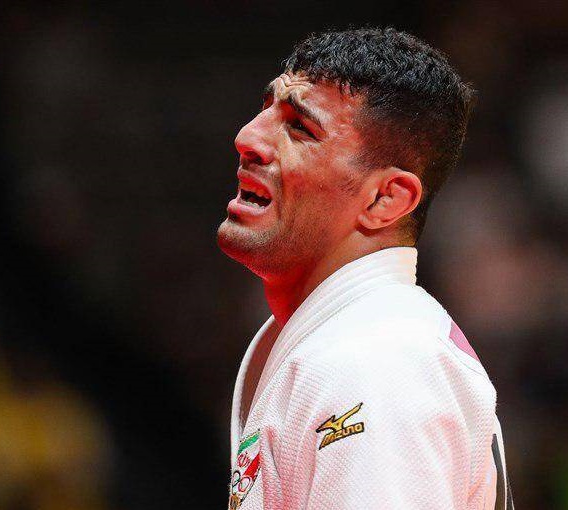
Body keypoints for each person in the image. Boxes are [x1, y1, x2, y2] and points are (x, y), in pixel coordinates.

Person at [217, 28, 513, 510]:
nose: (248, 137)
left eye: (300, 128)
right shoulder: (353, 341)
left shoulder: (377, 359)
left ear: (384, 199)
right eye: (266, 108)